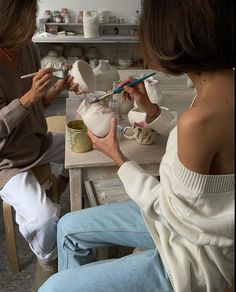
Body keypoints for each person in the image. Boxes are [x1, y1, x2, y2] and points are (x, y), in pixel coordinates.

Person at [40, 0, 235, 291]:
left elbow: (168, 211)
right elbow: (205, 145)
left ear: (169, 37)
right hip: (186, 223)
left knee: (52, 288)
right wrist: (152, 111)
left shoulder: (200, 119)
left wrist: (117, 156)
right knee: (67, 227)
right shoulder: (219, 90)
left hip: (190, 259)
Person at [0, 0, 81, 289]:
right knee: (46, 218)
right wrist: (27, 98)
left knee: (86, 143)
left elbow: (39, 104)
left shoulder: (28, 48)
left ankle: (61, 180)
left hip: (37, 141)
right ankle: (47, 260)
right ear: (10, 20)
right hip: (7, 161)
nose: (34, 24)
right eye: (30, 17)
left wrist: (57, 88)